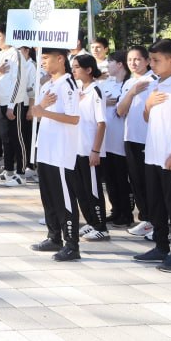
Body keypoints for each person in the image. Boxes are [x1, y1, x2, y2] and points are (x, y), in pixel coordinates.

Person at [137, 39, 171, 270]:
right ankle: (161, 246)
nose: (153, 64)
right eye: (152, 60)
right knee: (155, 204)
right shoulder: (156, 84)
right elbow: (148, 118)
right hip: (153, 154)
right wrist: (147, 105)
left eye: (157, 60)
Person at [29, 48, 83, 261]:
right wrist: (41, 109)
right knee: (48, 196)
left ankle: (72, 244)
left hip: (61, 151)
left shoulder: (68, 85)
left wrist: (44, 111)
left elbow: (73, 118)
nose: (42, 62)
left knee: (64, 198)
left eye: (45, 58)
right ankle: (54, 237)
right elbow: (36, 113)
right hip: (46, 148)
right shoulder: (49, 84)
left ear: (60, 59)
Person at [71, 54, 110, 242]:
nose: (74, 70)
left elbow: (102, 123)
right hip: (77, 149)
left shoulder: (96, 91)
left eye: (77, 67)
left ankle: (101, 226)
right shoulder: (79, 90)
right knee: (81, 189)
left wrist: (95, 151)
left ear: (88, 69)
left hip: (89, 150)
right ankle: (91, 222)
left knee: (93, 189)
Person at [117, 46, 154, 238]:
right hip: (130, 137)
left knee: (149, 182)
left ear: (147, 61)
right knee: (136, 180)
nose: (133, 63)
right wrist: (131, 92)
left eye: (138, 59)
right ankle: (146, 218)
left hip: (148, 139)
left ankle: (154, 219)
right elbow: (120, 110)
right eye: (130, 59)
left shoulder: (154, 81)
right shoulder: (129, 83)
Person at [0, 25, 30, 182]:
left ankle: (21, 172)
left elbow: (19, 80)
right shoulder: (1, 54)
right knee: (5, 137)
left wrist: (11, 105)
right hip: (1, 101)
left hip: (14, 103)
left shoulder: (16, 53)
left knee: (17, 137)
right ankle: (8, 170)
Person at [99, 51, 132, 226]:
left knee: (121, 179)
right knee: (110, 179)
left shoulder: (129, 83)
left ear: (119, 64)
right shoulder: (107, 83)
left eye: (110, 62)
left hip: (121, 139)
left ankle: (126, 213)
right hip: (107, 139)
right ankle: (116, 210)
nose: (107, 66)